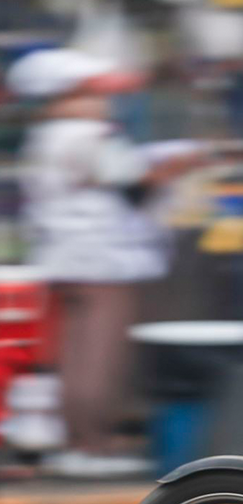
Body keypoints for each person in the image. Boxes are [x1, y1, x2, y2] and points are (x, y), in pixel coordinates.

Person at [8, 48, 201, 476]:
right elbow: (134, 177)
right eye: (92, 94)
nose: (103, 103)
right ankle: (92, 446)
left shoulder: (46, 136)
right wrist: (179, 162)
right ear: (66, 97)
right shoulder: (88, 136)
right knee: (100, 357)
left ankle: (76, 442)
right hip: (103, 265)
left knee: (75, 356)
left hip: (65, 261)